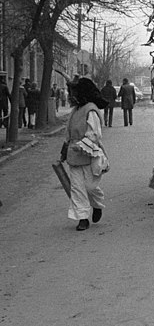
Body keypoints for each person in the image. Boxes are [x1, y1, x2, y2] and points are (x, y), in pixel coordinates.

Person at [61, 77, 109, 231]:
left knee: (90, 187)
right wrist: (64, 150)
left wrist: (81, 146)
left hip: (90, 155)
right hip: (74, 156)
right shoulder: (74, 111)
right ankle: (82, 218)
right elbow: (68, 134)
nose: (71, 96)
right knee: (77, 188)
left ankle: (97, 205)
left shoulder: (91, 110)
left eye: (74, 93)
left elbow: (94, 135)